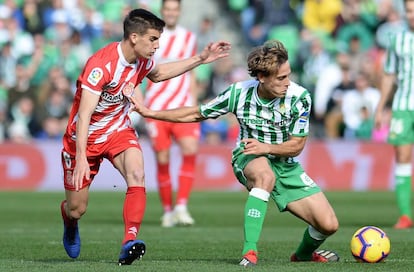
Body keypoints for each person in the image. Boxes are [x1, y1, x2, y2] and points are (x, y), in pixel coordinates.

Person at [130, 40, 339, 266]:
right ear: (261, 77)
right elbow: (196, 114)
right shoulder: (238, 93)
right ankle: (249, 252)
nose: (287, 83)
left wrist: (267, 148)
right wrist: (151, 113)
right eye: (281, 78)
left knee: (328, 225)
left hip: (284, 163)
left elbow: (297, 145)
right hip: (248, 155)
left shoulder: (300, 97)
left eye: (288, 76)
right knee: (264, 176)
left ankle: (302, 255)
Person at [59, 8, 231, 266]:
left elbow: (159, 74)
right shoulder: (100, 65)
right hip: (84, 138)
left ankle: (129, 241)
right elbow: (84, 115)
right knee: (77, 208)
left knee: (137, 175)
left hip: (118, 129)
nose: (157, 45)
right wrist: (82, 156)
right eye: (153, 39)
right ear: (134, 38)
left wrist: (200, 59)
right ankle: (69, 221)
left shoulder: (141, 60)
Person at [143, 0, 199, 227]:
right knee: (163, 158)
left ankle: (182, 206)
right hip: (156, 107)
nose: (171, 13)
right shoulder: (153, 37)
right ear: (162, 11)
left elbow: (192, 72)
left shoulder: (189, 38)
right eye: (167, 10)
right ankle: (167, 210)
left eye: (175, 10)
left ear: (179, 11)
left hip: (183, 105)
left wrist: (194, 101)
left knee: (190, 149)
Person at [374, 0, 414, 229]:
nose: (412, 15)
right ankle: (406, 215)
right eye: (409, 11)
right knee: (402, 155)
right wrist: (381, 107)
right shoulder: (397, 40)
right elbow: (389, 75)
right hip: (403, 105)